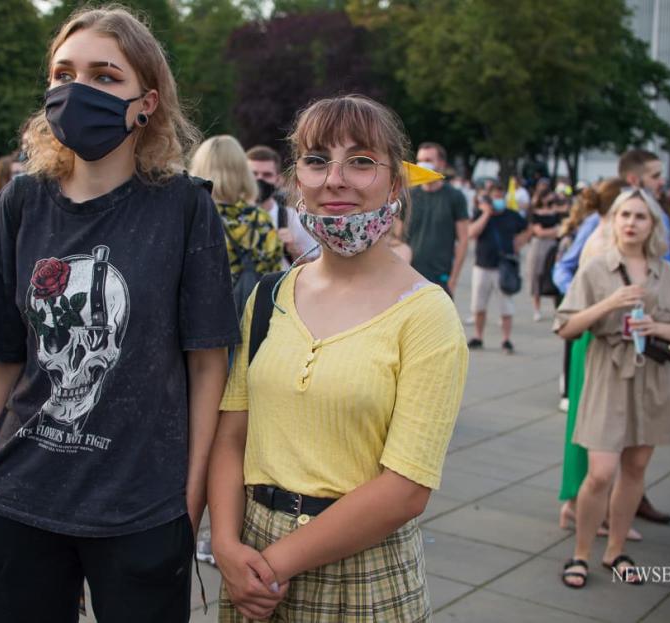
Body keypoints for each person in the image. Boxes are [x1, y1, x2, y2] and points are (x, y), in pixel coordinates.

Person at [0, 7, 240, 621]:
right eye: (63, 73)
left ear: (148, 101)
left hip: (138, 510)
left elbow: (208, 367)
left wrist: (186, 509)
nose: (76, 89)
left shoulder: (185, 210)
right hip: (17, 496)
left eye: (105, 76)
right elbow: (2, 354)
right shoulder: (21, 201)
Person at [208, 94, 468, 622]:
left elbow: (406, 489)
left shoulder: (426, 315)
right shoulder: (270, 296)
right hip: (250, 557)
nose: (336, 178)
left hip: (361, 573)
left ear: (396, 183)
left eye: (362, 161)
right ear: (296, 178)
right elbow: (231, 435)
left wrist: (271, 565)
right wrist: (227, 548)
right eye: (317, 159)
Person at [555, 189, 670, 588]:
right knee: (600, 472)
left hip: (652, 378)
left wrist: (656, 327)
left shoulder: (666, 273)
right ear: (614, 221)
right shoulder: (596, 269)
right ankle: (581, 553)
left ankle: (615, 551)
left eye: (641, 216)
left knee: (635, 468)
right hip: (607, 376)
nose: (632, 223)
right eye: (625, 215)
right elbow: (566, 326)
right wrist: (609, 304)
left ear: (653, 225)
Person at [190, 136, 283, 317]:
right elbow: (275, 277)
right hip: (251, 323)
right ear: (242, 171)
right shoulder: (261, 220)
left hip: (203, 323)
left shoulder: (194, 217)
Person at [467, 183, 528, 352]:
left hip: (503, 267)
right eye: (496, 197)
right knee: (478, 305)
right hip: (482, 265)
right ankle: (478, 336)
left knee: (506, 306)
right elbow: (471, 232)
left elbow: (527, 229)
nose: (499, 200)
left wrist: (521, 241)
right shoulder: (481, 213)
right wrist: (486, 213)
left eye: (501, 196)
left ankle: (506, 339)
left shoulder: (512, 216)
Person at [406, 142, 469, 296]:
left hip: (440, 279)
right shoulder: (408, 196)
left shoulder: (455, 197)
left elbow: (464, 239)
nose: (423, 164)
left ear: (441, 163)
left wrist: (453, 280)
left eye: (428, 160)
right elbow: (396, 238)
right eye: (420, 160)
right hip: (409, 277)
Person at [245, 144, 318, 268]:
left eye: (267, 175)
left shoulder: (295, 220)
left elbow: (315, 270)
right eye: (254, 174)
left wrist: (294, 250)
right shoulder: (230, 219)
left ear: (279, 180)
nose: (259, 179)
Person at [526, 192, 561, 321]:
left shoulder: (555, 213)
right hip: (538, 247)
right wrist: (553, 231)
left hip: (552, 247)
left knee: (553, 276)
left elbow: (560, 231)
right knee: (536, 276)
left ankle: (557, 308)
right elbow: (539, 232)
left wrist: (549, 232)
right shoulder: (535, 213)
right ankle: (537, 308)